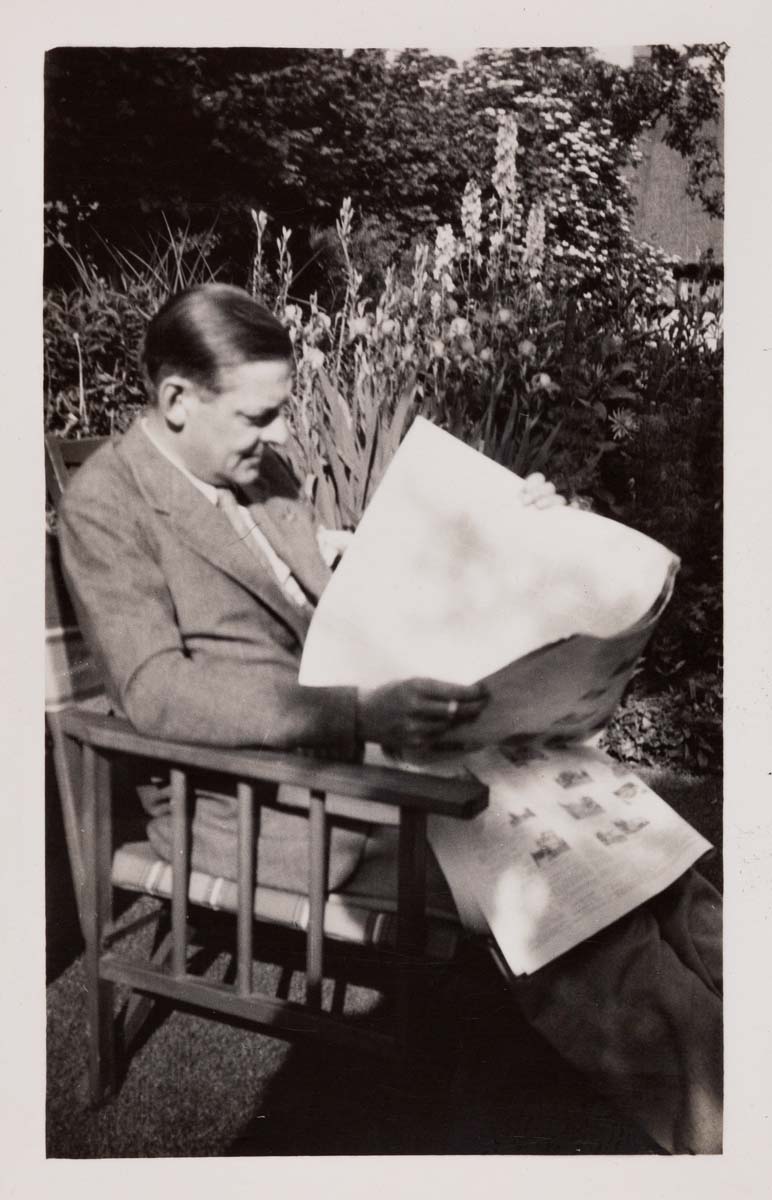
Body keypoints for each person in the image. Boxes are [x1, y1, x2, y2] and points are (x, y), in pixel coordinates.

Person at [58, 283, 721, 1154]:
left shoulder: (258, 472)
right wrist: (359, 710)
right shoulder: (107, 507)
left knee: (646, 854)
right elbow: (157, 693)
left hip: (367, 747)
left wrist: (506, 526)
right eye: (258, 415)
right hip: (263, 799)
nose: (281, 437)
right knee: (557, 898)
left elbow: (358, 576)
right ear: (176, 400)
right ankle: (726, 1124)